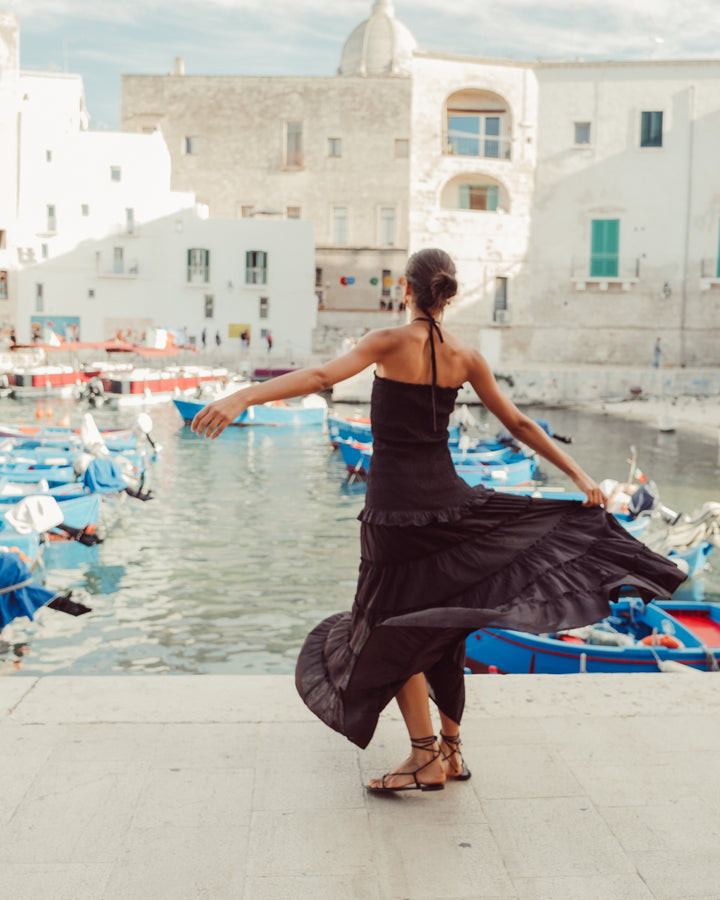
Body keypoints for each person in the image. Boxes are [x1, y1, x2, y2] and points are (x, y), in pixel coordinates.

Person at [192, 248, 686, 793]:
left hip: (394, 513)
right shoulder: (466, 357)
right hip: (451, 503)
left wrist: (245, 395)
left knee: (391, 628)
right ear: (446, 295)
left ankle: (426, 756)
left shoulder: (387, 342)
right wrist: (579, 476)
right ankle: (449, 750)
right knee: (441, 627)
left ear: (406, 289)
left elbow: (317, 375)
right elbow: (519, 423)